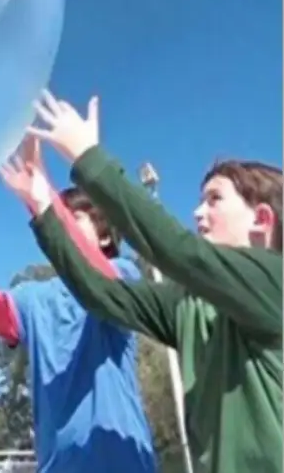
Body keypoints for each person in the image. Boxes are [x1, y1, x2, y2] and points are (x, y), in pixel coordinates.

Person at [26, 89, 283, 473]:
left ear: (261, 220)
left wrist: (88, 159)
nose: (197, 213)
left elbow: (176, 251)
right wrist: (43, 210)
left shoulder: (274, 284)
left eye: (214, 200)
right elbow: (105, 295)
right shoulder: (191, 307)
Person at [0, 147, 158, 473]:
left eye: (72, 218)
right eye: (59, 218)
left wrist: (42, 200)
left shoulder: (124, 272)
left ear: (106, 236)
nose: (61, 226)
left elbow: (100, 279)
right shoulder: (34, 298)